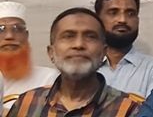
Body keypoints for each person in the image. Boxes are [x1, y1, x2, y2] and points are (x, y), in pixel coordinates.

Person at [7, 8, 142, 116]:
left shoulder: (128, 110)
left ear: (103, 52)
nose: (79, 45)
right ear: (51, 53)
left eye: (90, 37)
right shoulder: (26, 103)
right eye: (68, 36)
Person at [94, 0, 153, 97]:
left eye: (130, 13)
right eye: (113, 12)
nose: (122, 20)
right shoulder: (82, 66)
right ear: (97, 20)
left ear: (138, 19)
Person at [0, 1, 58, 113]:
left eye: (17, 29)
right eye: (1, 29)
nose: (9, 36)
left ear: (26, 36)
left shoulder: (49, 78)